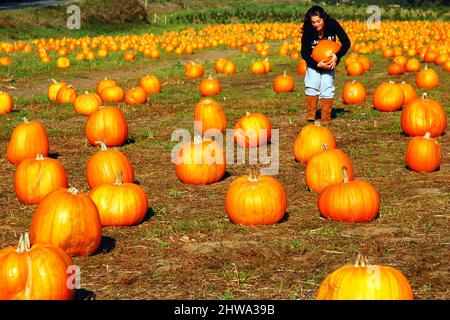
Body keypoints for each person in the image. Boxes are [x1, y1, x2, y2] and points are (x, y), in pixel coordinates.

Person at [301, 6, 351, 124]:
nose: (316, 24)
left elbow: (346, 42)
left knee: (327, 85)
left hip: (330, 62)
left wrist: (337, 55)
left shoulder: (332, 24)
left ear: (323, 18)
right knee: (312, 84)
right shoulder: (309, 29)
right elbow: (304, 52)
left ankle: (325, 116)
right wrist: (317, 64)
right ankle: (311, 114)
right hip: (314, 62)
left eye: (319, 21)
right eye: (313, 22)